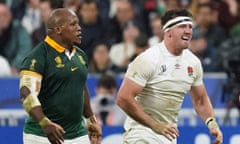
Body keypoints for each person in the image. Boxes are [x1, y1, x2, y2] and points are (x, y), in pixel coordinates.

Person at [117, 9, 223, 144]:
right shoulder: (149, 59)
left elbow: (200, 100)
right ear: (168, 32)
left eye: (190, 26)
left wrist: (212, 124)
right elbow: (123, 98)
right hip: (141, 134)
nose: (188, 31)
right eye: (182, 26)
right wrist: (155, 125)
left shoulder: (193, 62)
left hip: (168, 136)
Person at [19, 8, 101, 144]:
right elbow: (26, 94)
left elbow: (81, 87)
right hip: (42, 136)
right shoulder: (38, 56)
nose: (79, 29)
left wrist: (91, 120)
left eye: (78, 24)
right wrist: (45, 123)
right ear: (58, 29)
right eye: (73, 24)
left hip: (78, 135)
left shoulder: (80, 55)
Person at [0, 3, 32, 74]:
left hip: (16, 72)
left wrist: (15, 67)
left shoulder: (19, 29)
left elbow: (25, 51)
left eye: (4, 15)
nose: (2, 18)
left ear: (10, 15)